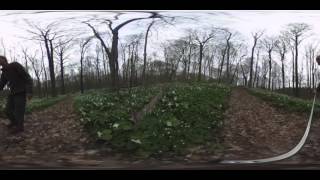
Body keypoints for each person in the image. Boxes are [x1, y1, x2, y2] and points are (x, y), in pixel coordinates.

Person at [0, 56, 33, 134]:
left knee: (19, 110)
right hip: (12, 93)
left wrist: (29, 91)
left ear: (4, 59)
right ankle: (14, 122)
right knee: (7, 110)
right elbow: (1, 85)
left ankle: (20, 127)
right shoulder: (4, 72)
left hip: (21, 91)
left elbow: (27, 77)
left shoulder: (15, 65)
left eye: (0, 59)